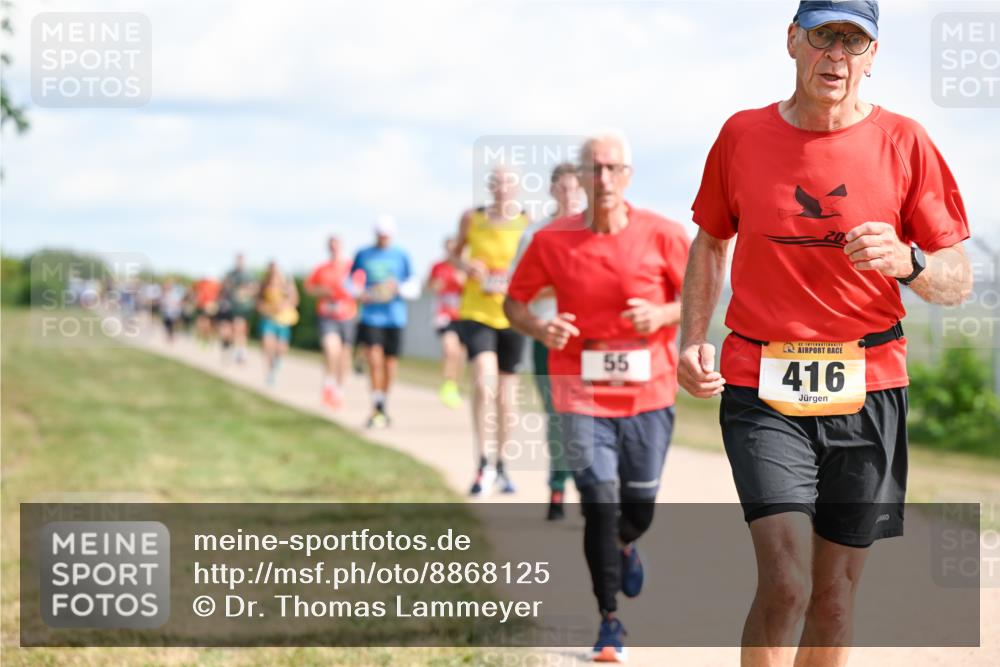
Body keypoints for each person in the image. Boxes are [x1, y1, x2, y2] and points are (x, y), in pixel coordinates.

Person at [679, 3, 973, 665]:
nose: (836, 55)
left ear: (872, 57)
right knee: (786, 582)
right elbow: (710, 240)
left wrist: (910, 260)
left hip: (869, 388)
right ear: (792, 42)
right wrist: (692, 338)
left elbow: (958, 278)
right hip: (763, 384)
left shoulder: (905, 141)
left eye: (853, 41)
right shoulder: (742, 135)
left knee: (834, 598)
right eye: (823, 37)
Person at [505, 132, 689, 662]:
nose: (603, 178)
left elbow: (699, 294)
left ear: (627, 175)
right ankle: (609, 621)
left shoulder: (663, 234)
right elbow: (515, 304)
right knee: (598, 502)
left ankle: (627, 544)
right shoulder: (551, 240)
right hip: (578, 391)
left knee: (638, 509)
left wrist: (662, 315)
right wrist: (542, 329)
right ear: (579, 177)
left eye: (612, 168)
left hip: (648, 392)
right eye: (593, 169)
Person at [509, 162, 584, 520]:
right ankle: (557, 488)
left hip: (591, 338)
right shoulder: (536, 233)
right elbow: (517, 291)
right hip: (549, 335)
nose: (569, 195)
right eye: (563, 188)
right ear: (552, 190)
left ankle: (592, 488)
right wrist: (561, 285)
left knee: (590, 412)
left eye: (575, 188)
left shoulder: (595, 229)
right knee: (557, 414)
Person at [451, 166, 529, 496]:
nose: (502, 189)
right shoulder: (472, 218)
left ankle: (501, 466)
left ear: (518, 188)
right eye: (496, 183)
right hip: (477, 311)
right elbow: (454, 255)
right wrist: (466, 265)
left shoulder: (527, 222)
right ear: (489, 187)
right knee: (485, 383)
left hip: (513, 314)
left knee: (507, 398)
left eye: (508, 183)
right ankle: (482, 462)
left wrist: (516, 277)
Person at [351, 216, 417, 428]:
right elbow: (350, 280)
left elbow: (413, 283)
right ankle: (375, 405)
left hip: (395, 317)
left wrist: (398, 288)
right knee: (374, 359)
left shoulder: (401, 255)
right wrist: (359, 293)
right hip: (371, 315)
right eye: (380, 235)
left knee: (390, 365)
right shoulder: (363, 254)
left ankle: (382, 405)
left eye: (386, 235)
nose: (383, 239)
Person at [306, 236, 364, 408]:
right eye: (331, 246)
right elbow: (309, 288)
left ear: (341, 247)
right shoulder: (321, 269)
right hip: (327, 315)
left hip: (347, 315)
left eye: (336, 245)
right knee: (332, 349)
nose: (334, 249)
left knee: (344, 356)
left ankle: (339, 389)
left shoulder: (352, 267)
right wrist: (323, 291)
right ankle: (329, 383)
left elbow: (360, 289)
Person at [427, 237, 467, 409]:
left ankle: (455, 385)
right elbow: (430, 286)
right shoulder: (438, 267)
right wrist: (436, 285)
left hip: (464, 315)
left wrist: (463, 281)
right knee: (450, 349)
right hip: (444, 315)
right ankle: (447, 385)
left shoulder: (466, 268)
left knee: (460, 353)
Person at [256, 261, 300, 386]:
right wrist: (267, 308)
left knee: (281, 349)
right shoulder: (264, 285)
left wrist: (290, 292)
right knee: (267, 345)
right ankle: (270, 372)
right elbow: (259, 304)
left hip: (283, 321)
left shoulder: (286, 285)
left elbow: (295, 301)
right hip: (268, 319)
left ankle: (276, 364)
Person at [217, 253, 258, 364]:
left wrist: (245, 293)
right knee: (226, 332)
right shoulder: (230, 274)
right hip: (229, 307)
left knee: (239, 328)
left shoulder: (249, 275)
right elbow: (223, 288)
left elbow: (254, 289)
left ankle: (241, 353)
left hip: (242, 308)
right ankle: (228, 346)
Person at [192, 276, 222, 345]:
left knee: (208, 323)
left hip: (210, 306)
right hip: (201, 305)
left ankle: (207, 338)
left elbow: (219, 294)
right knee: (201, 322)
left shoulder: (216, 284)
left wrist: (214, 303)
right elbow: (195, 291)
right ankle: (202, 337)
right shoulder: (201, 282)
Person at [159, 278, 185, 343]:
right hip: (167, 312)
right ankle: (170, 337)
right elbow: (162, 302)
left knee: (172, 325)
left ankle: (173, 337)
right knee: (167, 325)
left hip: (174, 312)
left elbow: (179, 302)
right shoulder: (164, 293)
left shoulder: (175, 293)